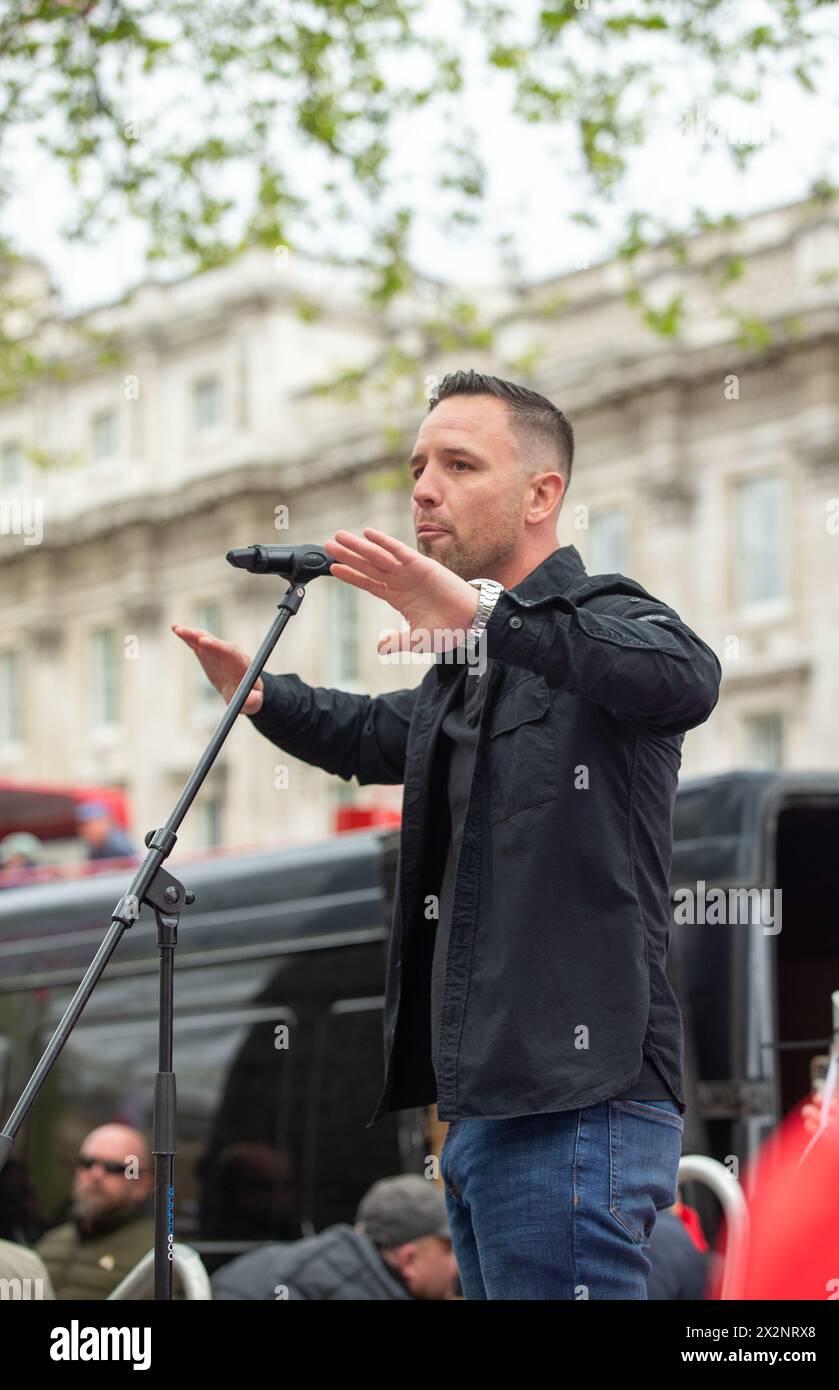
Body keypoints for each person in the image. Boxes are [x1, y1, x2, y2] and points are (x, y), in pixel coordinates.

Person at [174, 369, 722, 1299]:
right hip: (483, 1115)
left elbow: (689, 677)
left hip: (576, 1101)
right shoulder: (464, 678)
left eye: (459, 463)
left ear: (542, 494)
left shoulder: (609, 620)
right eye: (418, 464)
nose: (424, 486)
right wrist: (266, 697)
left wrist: (482, 616)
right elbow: (373, 735)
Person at [210, 1174, 459, 1300]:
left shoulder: (336, 1263)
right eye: (448, 1250)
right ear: (409, 1259)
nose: (456, 1266)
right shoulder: (353, 1288)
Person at [35, 1123, 155, 1299]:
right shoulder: (49, 1243)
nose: (95, 1174)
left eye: (114, 1168)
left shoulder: (159, 1257)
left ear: (143, 1185)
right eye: (87, 1163)